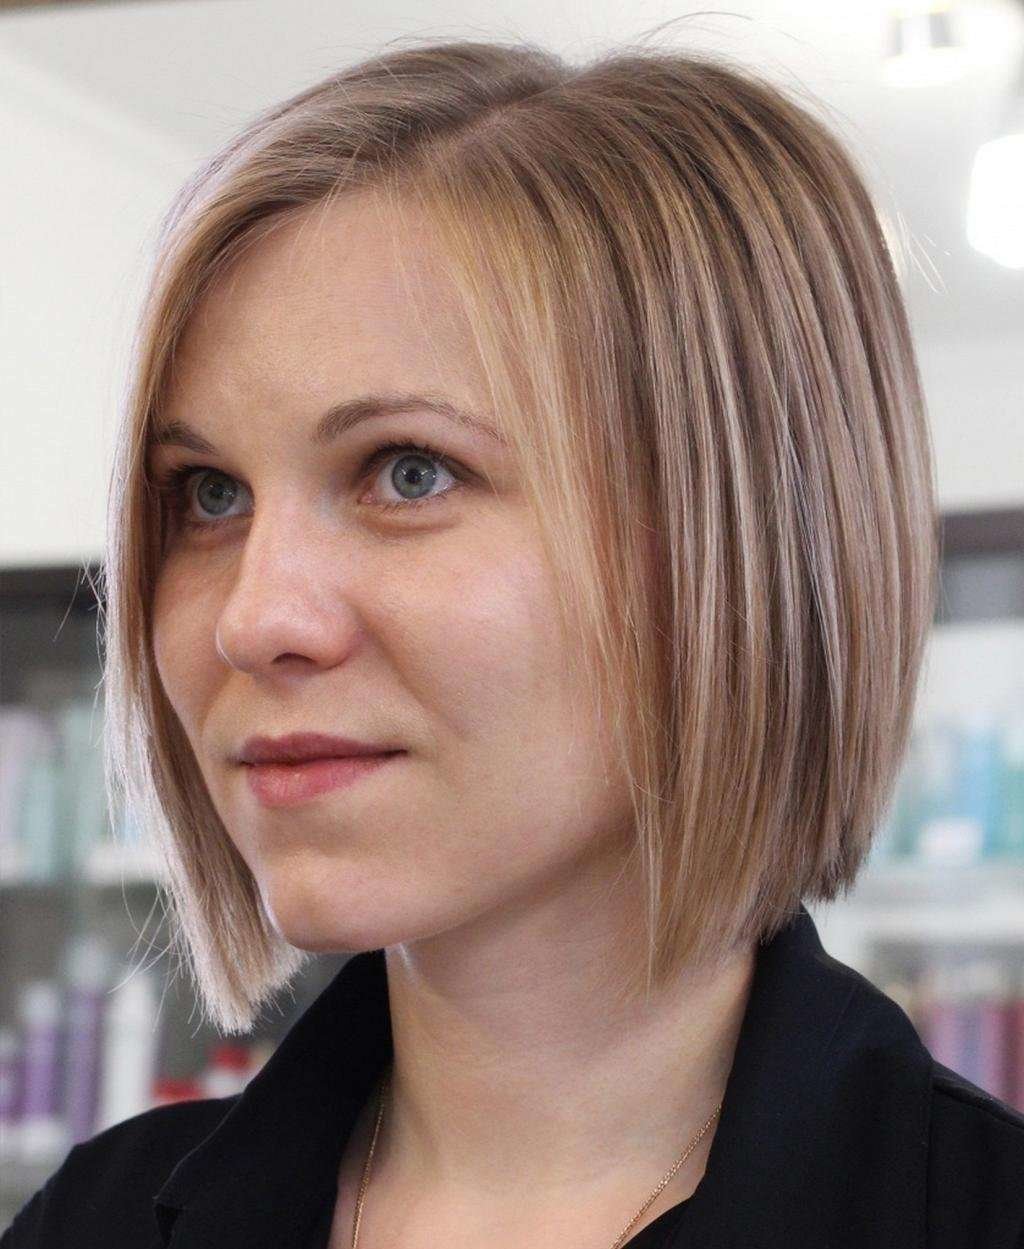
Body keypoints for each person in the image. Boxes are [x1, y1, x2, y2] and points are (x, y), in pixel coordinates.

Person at [5, 34, 1023, 1249]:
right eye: (210, 495)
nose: (252, 618)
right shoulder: (90, 1223)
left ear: (733, 544)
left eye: (409, 471)